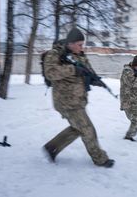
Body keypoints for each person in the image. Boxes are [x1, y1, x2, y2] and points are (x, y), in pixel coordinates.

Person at [42, 27, 114, 168]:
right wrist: (73, 69)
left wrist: (95, 80)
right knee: (87, 129)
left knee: (77, 128)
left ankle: (52, 147)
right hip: (65, 101)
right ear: (70, 43)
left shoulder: (80, 55)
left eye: (83, 44)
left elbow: (87, 71)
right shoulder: (54, 54)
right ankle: (100, 159)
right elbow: (50, 72)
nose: (82, 47)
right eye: (79, 44)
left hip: (78, 100)